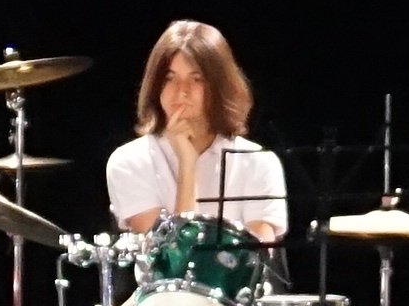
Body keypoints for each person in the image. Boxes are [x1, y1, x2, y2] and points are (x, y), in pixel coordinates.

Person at [102, 20, 288, 242]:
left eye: (196, 79)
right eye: (169, 78)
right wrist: (187, 166)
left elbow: (258, 260)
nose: (181, 92)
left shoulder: (259, 162)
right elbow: (171, 260)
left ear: (219, 87)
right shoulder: (129, 161)